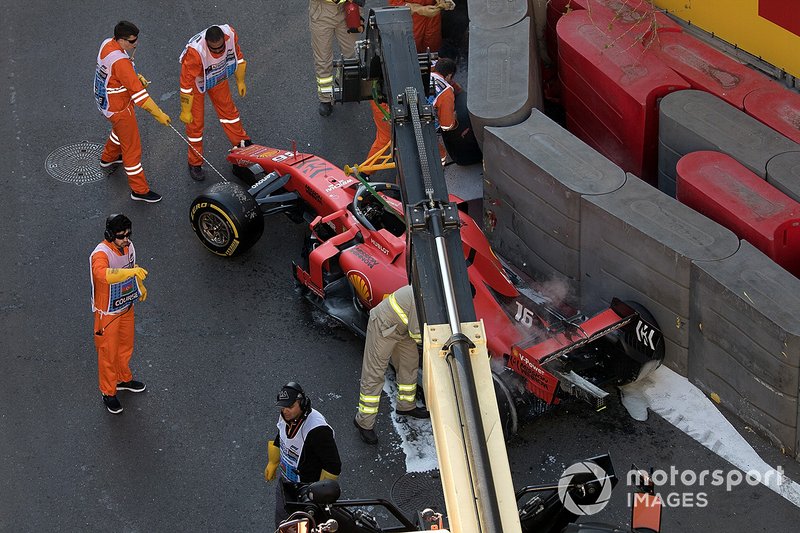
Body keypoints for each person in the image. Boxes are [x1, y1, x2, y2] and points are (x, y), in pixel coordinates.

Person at [94, 21, 170, 203]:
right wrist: (158, 113)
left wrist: (133, 78)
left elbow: (117, 75)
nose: (135, 44)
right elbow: (141, 97)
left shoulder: (107, 44)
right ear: (120, 39)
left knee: (119, 133)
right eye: (132, 41)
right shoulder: (121, 63)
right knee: (132, 150)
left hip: (106, 102)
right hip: (120, 108)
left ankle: (108, 157)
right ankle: (139, 190)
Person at [354, 285, 429, 445]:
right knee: (374, 375)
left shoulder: (433, 293)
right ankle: (363, 423)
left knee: (409, 365)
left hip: (402, 330)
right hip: (382, 327)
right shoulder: (423, 297)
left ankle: (406, 405)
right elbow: (418, 334)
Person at [89, 214, 149, 414]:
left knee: (125, 347)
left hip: (125, 307)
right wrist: (131, 274)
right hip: (107, 313)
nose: (126, 239)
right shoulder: (101, 254)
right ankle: (108, 392)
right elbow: (102, 274)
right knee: (108, 353)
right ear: (109, 235)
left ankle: (123, 379)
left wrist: (139, 286)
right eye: (121, 236)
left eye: (128, 234)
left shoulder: (129, 247)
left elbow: (132, 269)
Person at [179, 25, 251, 182]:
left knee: (229, 113)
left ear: (224, 40)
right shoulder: (195, 53)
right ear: (207, 43)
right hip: (196, 82)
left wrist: (240, 81)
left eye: (221, 49)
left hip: (216, 74)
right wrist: (186, 110)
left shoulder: (230, 34)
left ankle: (241, 146)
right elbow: (186, 85)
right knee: (195, 124)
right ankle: (194, 162)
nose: (218, 52)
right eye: (215, 50)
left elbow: (238, 57)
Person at [265, 382, 342, 526]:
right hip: (287, 484)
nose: (285, 411)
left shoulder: (318, 430)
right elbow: (281, 437)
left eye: (290, 406)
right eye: (283, 407)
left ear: (302, 403)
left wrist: (319, 494)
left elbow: (333, 466)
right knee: (283, 523)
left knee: (305, 526)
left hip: (307, 491)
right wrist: (273, 462)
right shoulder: (286, 417)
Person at [309, 0, 361, 117]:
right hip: (322, 11)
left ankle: (345, 83)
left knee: (352, 55)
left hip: (347, 7)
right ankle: (326, 98)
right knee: (323, 59)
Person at [388, 0, 454, 53]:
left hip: (432, 16)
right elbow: (395, 3)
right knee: (412, 50)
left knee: (433, 48)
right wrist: (419, 9)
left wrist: (443, 1)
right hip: (412, 19)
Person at [428, 57, 458, 164]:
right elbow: (446, 125)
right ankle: (440, 164)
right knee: (440, 154)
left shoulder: (426, 74)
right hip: (425, 126)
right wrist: (454, 118)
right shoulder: (446, 91)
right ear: (449, 75)